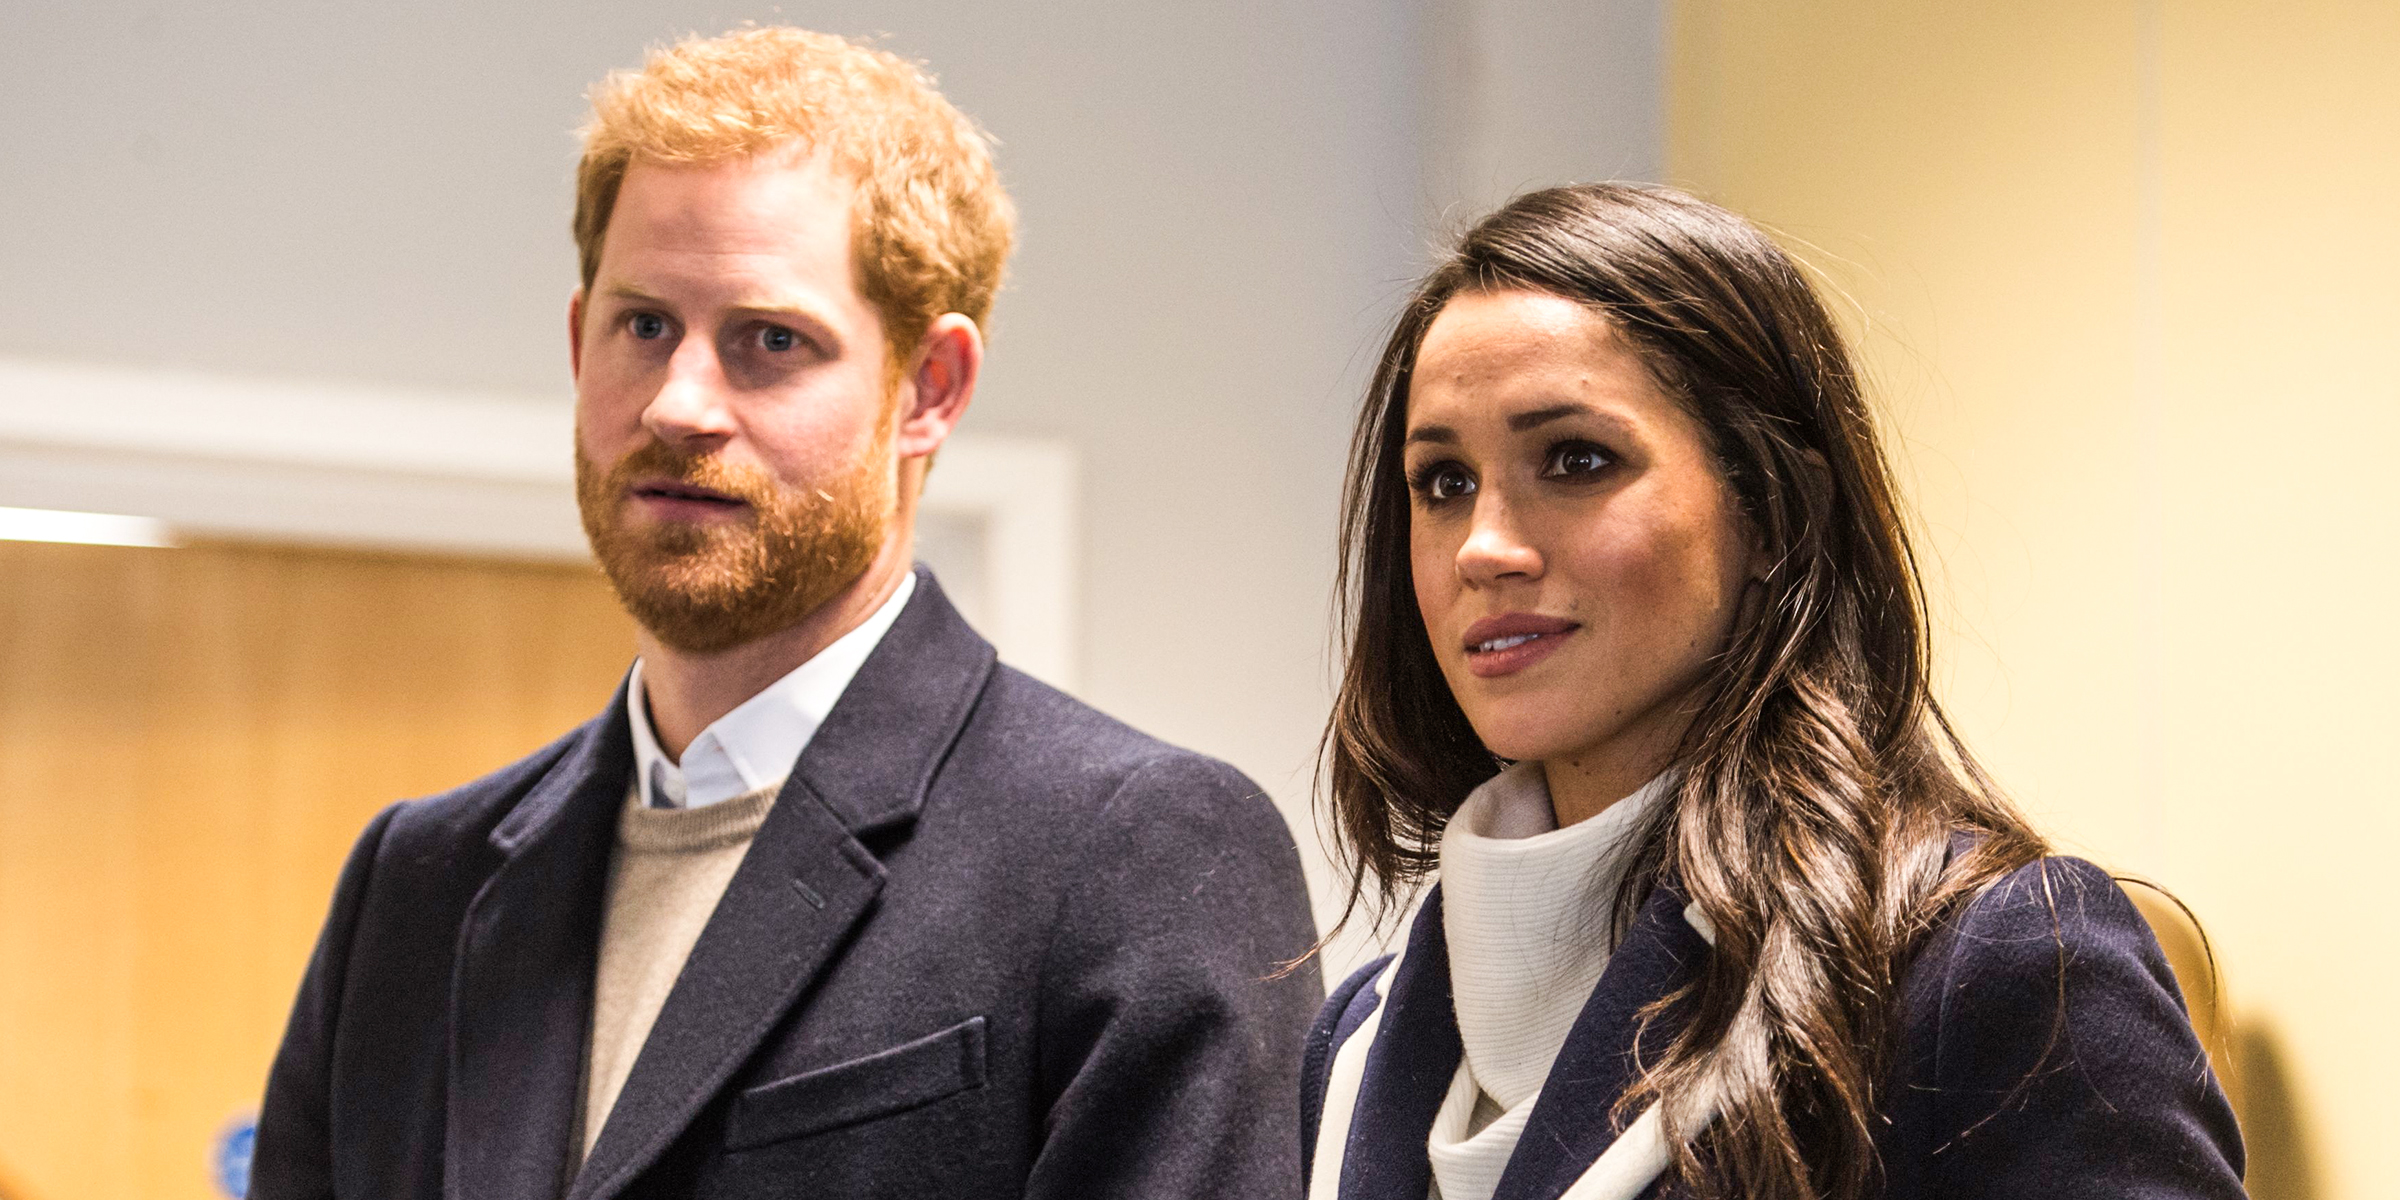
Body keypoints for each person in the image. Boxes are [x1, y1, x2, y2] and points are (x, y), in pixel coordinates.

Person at [250, 28, 1321, 1200]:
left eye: (770, 341)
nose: (680, 403)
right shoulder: (419, 885)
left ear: (931, 388)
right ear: (578, 342)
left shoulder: (1134, 856)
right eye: (643, 325)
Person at [1298, 185, 2245, 1200]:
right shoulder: (1357, 1039)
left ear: (1774, 519)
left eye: (1576, 460)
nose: (1484, 547)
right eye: (1441, 481)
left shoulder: (1997, 967)